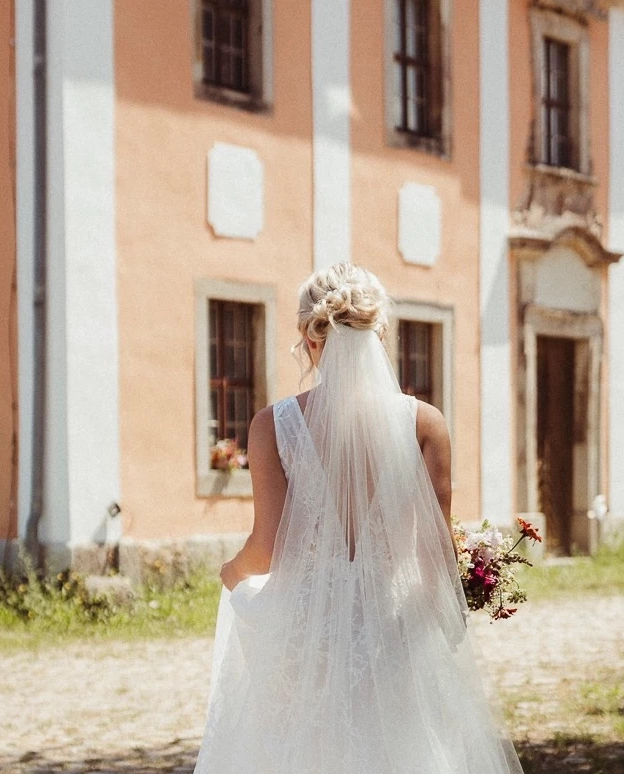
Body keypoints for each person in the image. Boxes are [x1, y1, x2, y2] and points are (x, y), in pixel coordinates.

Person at [196, 263, 523, 774]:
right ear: (380, 333)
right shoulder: (424, 423)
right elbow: (434, 558)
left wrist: (232, 574)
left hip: (308, 644)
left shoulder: (273, 425)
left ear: (309, 338)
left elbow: (268, 551)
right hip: (392, 635)